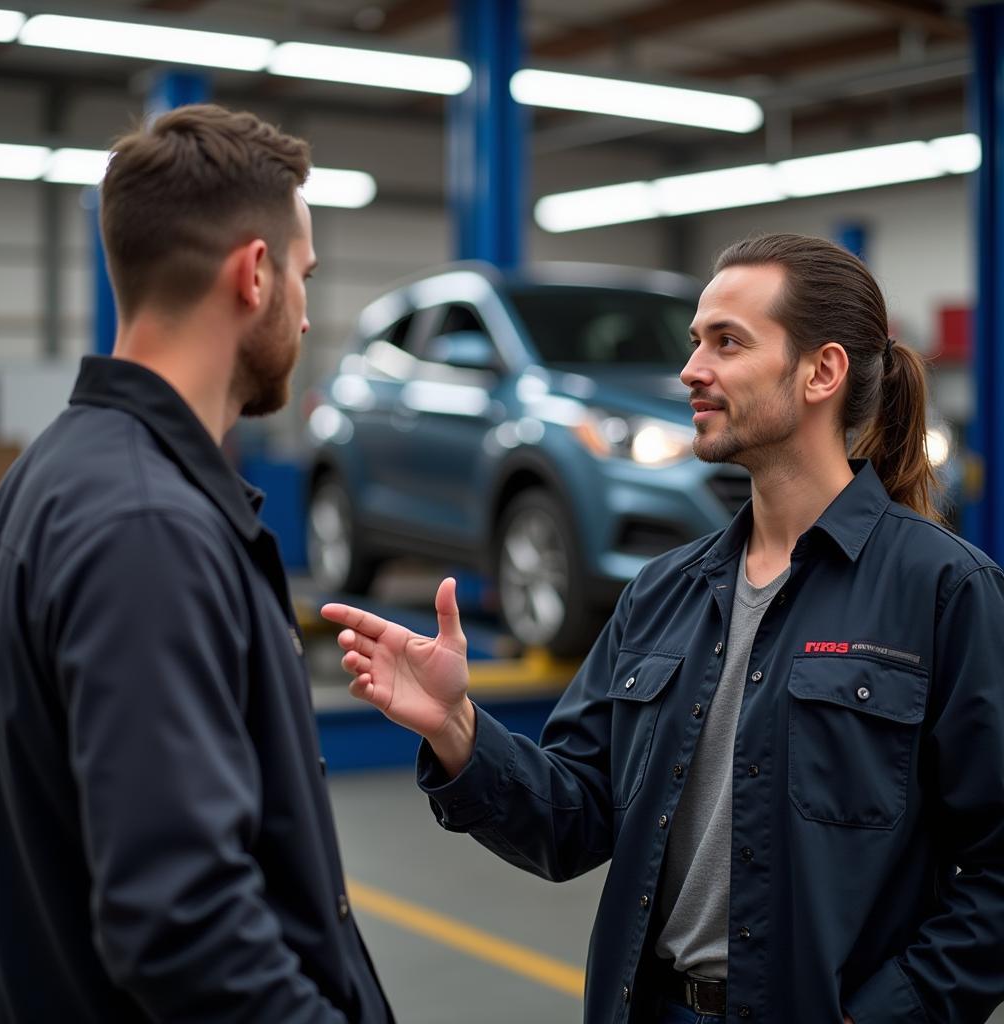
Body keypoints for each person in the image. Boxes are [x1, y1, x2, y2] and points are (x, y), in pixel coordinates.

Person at [323, 233, 1004, 1024]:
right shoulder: (663, 593)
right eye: (695, 342)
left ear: (821, 372)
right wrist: (460, 729)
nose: (691, 370)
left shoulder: (944, 591)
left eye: (727, 342)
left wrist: (889, 1013)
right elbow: (575, 821)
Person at [0, 104, 393, 1023]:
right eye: (304, 276)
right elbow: (181, 925)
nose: (307, 308)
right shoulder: (147, 528)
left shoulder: (49, 477)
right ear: (254, 274)